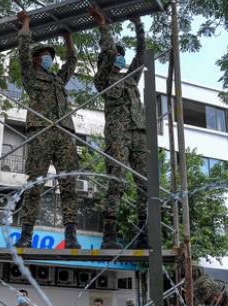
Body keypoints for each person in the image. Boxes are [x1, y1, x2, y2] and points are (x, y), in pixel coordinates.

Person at [14, 10, 81, 249]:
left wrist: (68, 39)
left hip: (63, 133)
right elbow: (22, 51)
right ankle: (26, 233)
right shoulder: (31, 77)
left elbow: (72, 61)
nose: (49, 59)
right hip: (41, 131)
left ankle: (71, 234)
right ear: (35, 59)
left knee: (69, 184)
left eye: (50, 56)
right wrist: (26, 23)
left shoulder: (57, 80)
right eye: (44, 55)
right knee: (35, 183)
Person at [89, 5, 149, 249]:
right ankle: (109, 236)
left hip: (140, 135)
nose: (119, 57)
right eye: (115, 55)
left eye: (120, 55)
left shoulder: (131, 78)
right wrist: (103, 25)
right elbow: (110, 49)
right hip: (118, 137)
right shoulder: (102, 79)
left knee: (145, 184)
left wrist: (139, 26)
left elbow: (142, 54)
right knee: (117, 182)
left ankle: (144, 233)